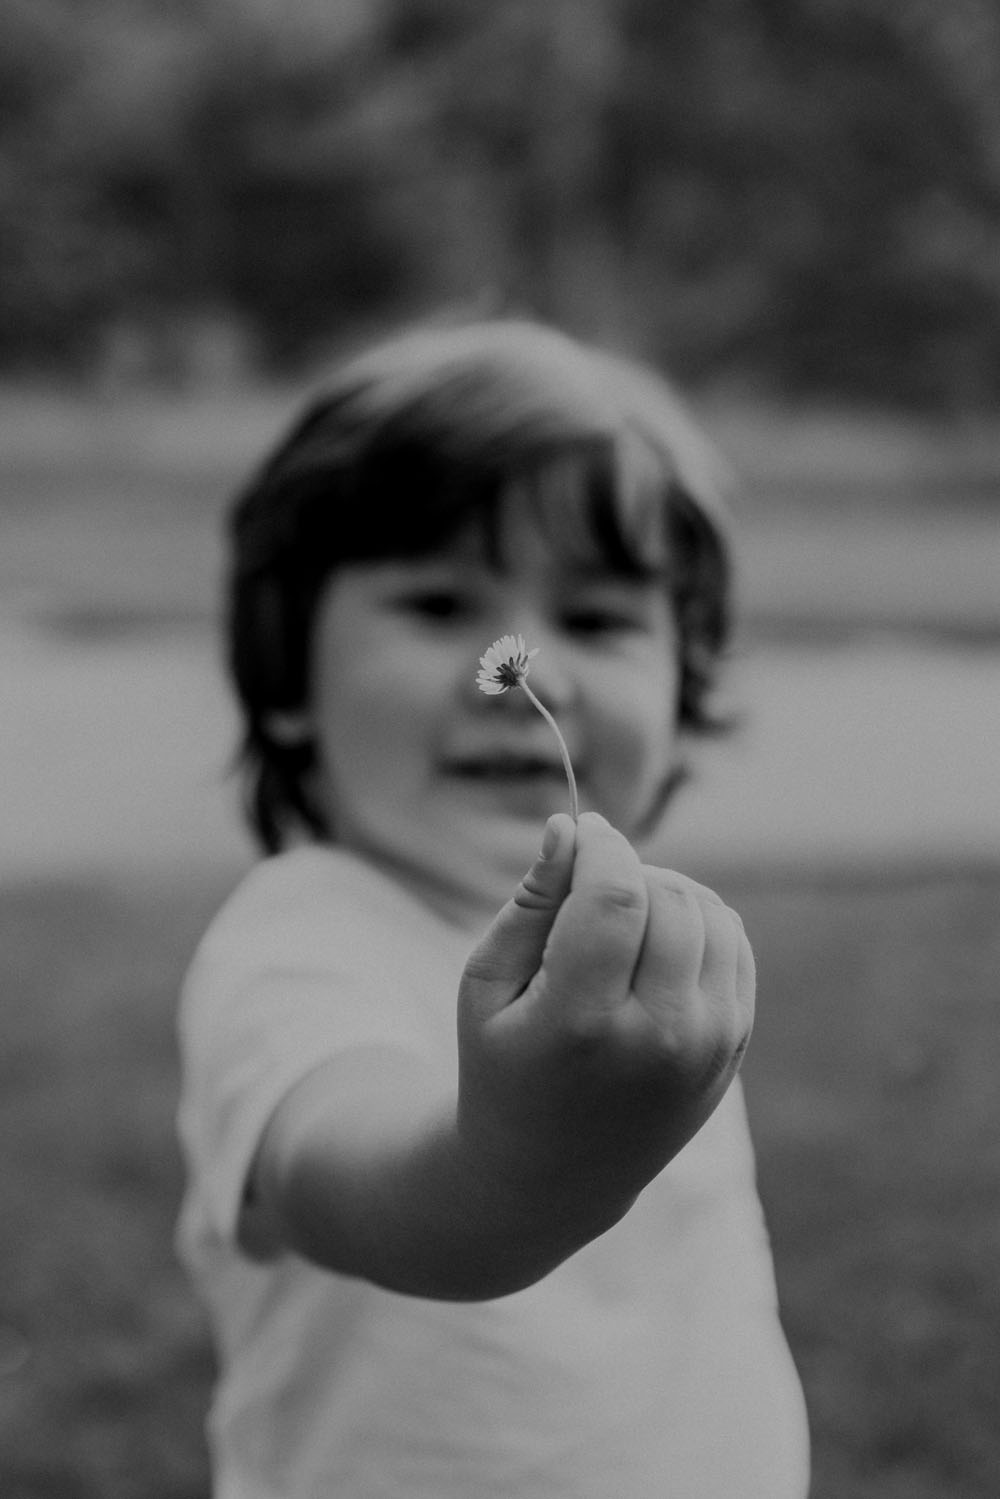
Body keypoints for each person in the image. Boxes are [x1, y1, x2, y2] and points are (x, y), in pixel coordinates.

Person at [176, 317, 810, 1497]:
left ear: (687, 678)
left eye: (601, 618)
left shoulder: (626, 952)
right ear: (289, 673)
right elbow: (358, 1182)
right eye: (432, 601)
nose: (540, 681)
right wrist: (514, 1161)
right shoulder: (299, 939)